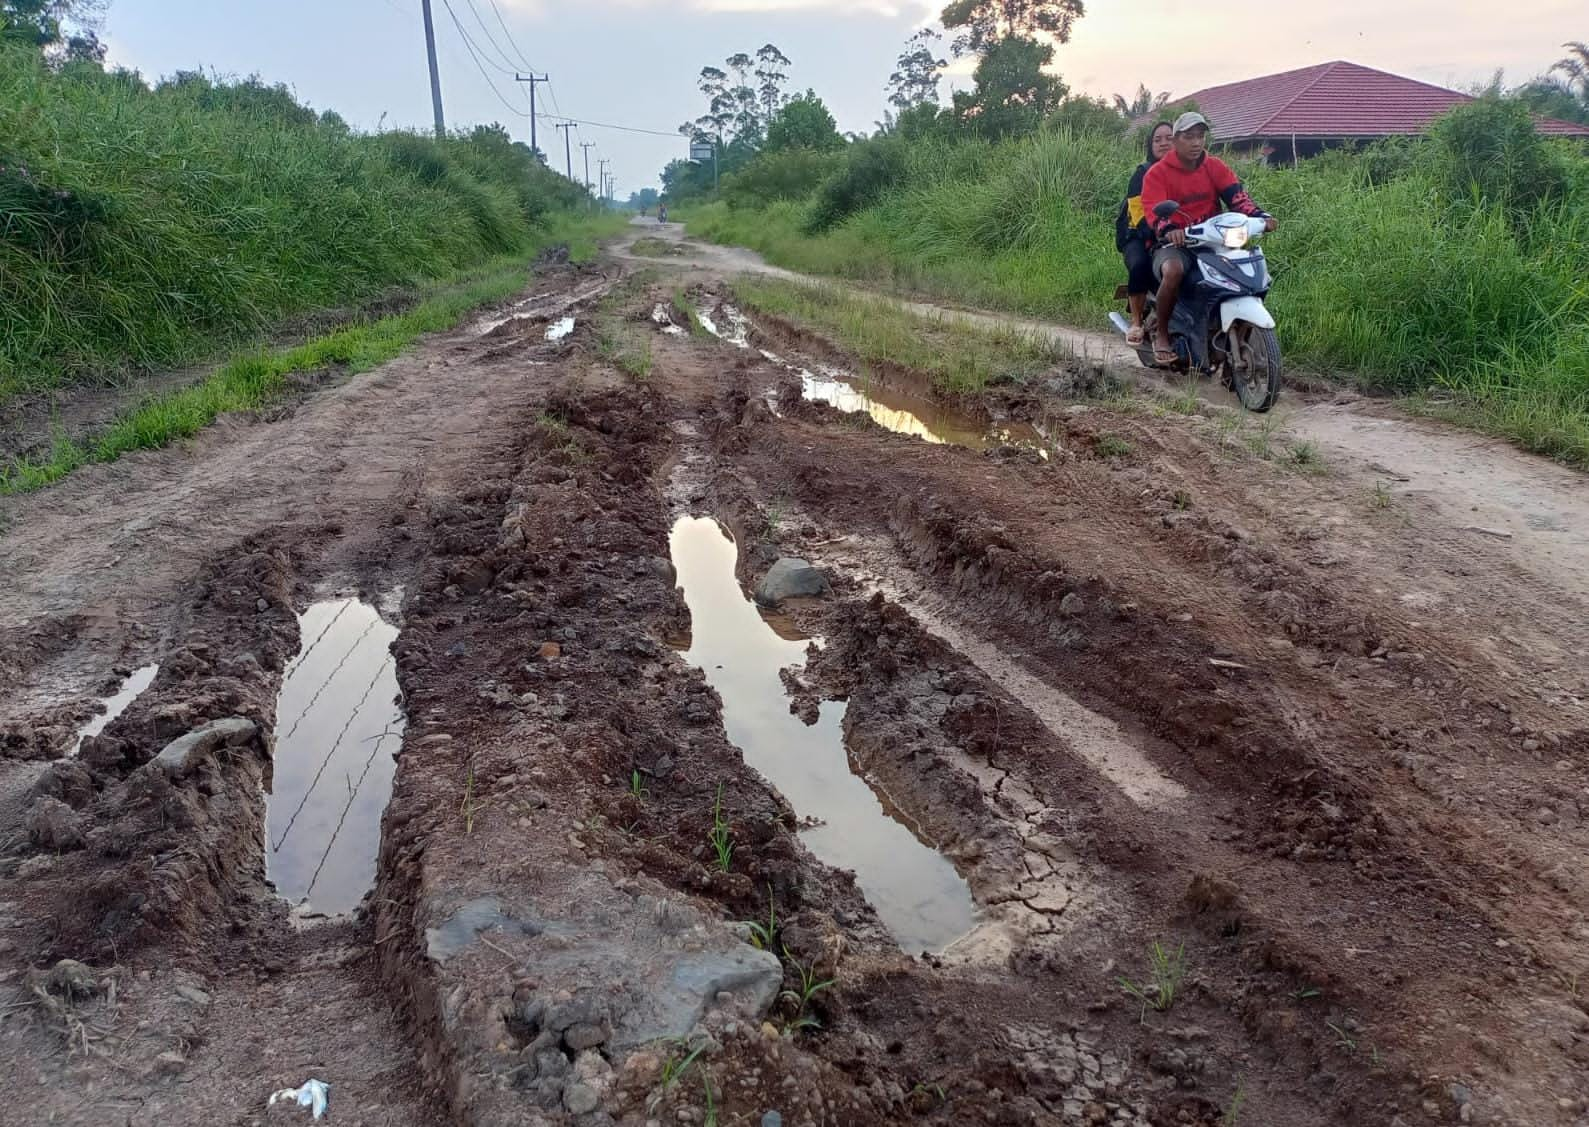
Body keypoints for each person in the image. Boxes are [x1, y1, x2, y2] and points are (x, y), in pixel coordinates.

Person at [1141, 112, 1277, 367]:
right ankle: (1162, 336)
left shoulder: (1214, 167)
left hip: (1214, 240)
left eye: (1200, 136)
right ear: (1176, 140)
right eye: (1188, 137)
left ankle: (1230, 336)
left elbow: (1237, 198)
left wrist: (1260, 216)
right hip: (1175, 244)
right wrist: (1169, 228)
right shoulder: (1158, 173)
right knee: (1173, 271)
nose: (1196, 143)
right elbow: (1153, 210)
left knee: (1246, 273)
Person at [1116, 120, 1174, 346]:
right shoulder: (1142, 173)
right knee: (1140, 264)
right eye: (1157, 140)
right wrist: (1159, 233)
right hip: (1139, 235)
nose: (1163, 143)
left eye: (1169, 138)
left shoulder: (1186, 172)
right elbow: (1138, 214)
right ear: (1150, 146)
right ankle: (1137, 322)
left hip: (1175, 234)